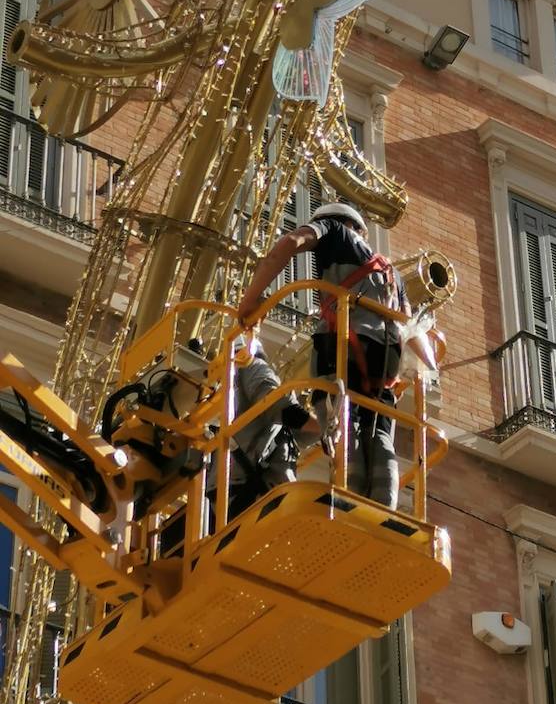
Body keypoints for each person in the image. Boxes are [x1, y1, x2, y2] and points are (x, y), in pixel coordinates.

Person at [237, 202, 410, 509]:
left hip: (345, 343)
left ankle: (350, 503)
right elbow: (406, 317)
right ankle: (385, 508)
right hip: (386, 359)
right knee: (379, 429)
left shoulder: (333, 231)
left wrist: (251, 300)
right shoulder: (392, 272)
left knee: (340, 417)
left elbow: (289, 244)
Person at [160, 327, 316, 552]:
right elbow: (274, 403)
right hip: (254, 493)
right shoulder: (253, 366)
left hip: (227, 493)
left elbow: (294, 434)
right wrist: (321, 424)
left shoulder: (227, 398)